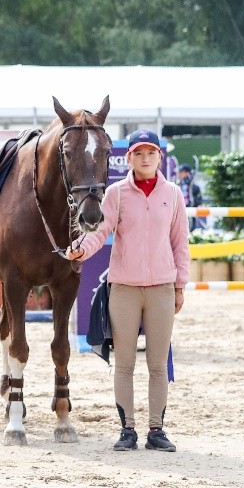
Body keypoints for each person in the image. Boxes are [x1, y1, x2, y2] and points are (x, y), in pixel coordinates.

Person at [65, 129, 189, 454]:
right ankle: (128, 429)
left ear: (159, 157)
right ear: (129, 158)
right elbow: (100, 231)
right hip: (124, 289)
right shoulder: (116, 194)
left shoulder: (174, 194)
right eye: (138, 153)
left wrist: (180, 286)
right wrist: (82, 247)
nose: (145, 158)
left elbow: (180, 244)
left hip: (162, 288)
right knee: (124, 364)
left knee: (158, 365)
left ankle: (157, 430)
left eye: (150, 153)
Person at [175, 164, 203, 231]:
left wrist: (193, 204)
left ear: (186, 173)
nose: (178, 174)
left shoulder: (193, 186)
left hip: (190, 210)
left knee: (190, 228)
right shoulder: (177, 185)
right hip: (179, 212)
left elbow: (199, 200)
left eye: (180, 172)